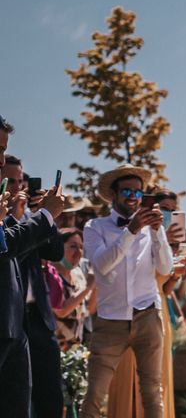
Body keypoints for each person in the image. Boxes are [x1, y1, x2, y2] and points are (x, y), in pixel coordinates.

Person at [79, 164, 173, 418]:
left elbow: (166, 266)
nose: (133, 197)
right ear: (113, 194)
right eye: (127, 191)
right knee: (96, 391)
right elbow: (101, 265)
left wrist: (156, 233)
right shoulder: (94, 227)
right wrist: (131, 232)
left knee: (153, 390)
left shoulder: (151, 228)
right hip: (111, 320)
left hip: (148, 316)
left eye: (138, 193)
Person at [0, 115, 65, 418]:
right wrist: (46, 217)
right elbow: (6, 245)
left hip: (18, 328)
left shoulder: (23, 218)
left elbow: (54, 251)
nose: (1, 160)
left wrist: (42, 217)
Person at [53, 228, 96, 350]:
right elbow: (61, 311)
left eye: (81, 247)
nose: (78, 252)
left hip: (75, 352)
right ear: (58, 247)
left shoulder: (78, 274)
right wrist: (88, 287)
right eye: (73, 246)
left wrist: (96, 285)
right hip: (54, 350)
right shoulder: (50, 274)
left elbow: (89, 310)